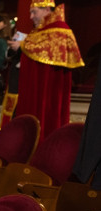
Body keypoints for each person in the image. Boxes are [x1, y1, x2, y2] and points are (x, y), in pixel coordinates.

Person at [7, 1, 84, 141]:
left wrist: (23, 46)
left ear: (47, 9)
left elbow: (44, 51)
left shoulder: (60, 29)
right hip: (32, 90)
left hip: (47, 94)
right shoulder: (40, 31)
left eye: (34, 12)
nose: (31, 17)